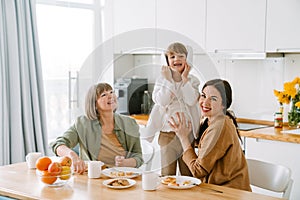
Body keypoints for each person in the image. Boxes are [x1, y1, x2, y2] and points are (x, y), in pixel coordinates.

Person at [168, 79, 251, 191]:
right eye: (203, 96)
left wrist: (183, 138)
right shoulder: (211, 121)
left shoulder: (219, 127)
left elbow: (198, 171)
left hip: (229, 193)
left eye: (213, 99)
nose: (205, 102)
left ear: (224, 104)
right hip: (214, 189)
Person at [50, 83, 143, 174]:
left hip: (122, 176)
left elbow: (138, 156)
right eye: (104, 95)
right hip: (94, 176)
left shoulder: (129, 123)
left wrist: (126, 163)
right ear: (94, 104)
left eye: (111, 92)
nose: (111, 96)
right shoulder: (83, 123)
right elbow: (58, 144)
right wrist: (73, 156)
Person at [146, 42, 200, 176]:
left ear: (187, 60)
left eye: (181, 56)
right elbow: (163, 101)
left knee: (188, 173)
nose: (177, 59)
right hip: (167, 135)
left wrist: (184, 79)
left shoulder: (192, 81)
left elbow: (191, 100)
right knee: (167, 175)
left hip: (187, 135)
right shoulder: (161, 80)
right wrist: (169, 81)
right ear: (166, 61)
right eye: (172, 57)